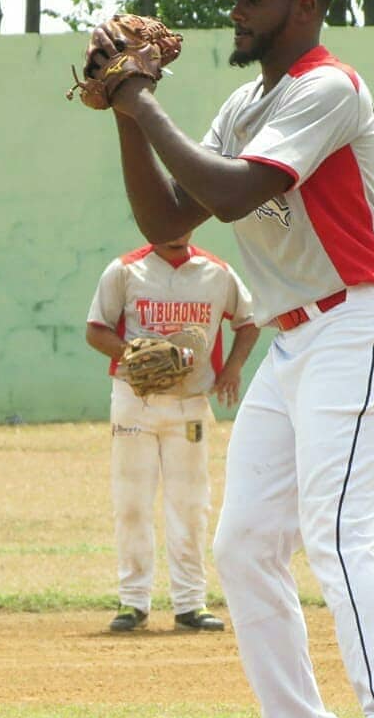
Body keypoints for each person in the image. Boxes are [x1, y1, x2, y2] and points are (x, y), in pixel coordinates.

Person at [84, 0, 374, 718]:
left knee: (339, 532)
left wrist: (141, 97)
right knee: (244, 545)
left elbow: (238, 194)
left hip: (364, 323)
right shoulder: (245, 104)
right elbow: (171, 211)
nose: (236, 10)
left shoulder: (329, 85)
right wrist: (131, 114)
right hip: (294, 342)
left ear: (305, 8)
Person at [86, 230, 258, 634]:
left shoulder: (216, 273)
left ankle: (190, 604)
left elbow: (248, 323)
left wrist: (231, 369)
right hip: (134, 399)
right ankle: (133, 602)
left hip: (190, 403)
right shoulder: (125, 271)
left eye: (183, 221)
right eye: (166, 220)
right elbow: (96, 330)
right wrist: (133, 353)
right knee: (131, 502)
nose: (177, 230)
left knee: (191, 504)